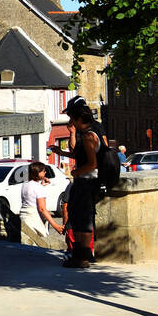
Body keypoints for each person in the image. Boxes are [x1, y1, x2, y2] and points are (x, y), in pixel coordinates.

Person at [49, 97, 103, 268]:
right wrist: (62, 153)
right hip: (88, 182)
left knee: (83, 220)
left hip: (87, 181)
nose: (71, 122)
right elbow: (81, 155)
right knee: (80, 219)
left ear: (79, 118)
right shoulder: (96, 129)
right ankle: (81, 256)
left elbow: (93, 162)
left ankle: (82, 258)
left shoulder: (88, 135)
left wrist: (76, 171)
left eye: (72, 118)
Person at [20, 162, 65, 243]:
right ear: (38, 173)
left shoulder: (25, 184)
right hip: (34, 217)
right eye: (43, 171)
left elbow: (32, 194)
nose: (45, 172)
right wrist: (55, 225)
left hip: (24, 216)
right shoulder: (38, 188)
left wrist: (42, 185)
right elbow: (42, 209)